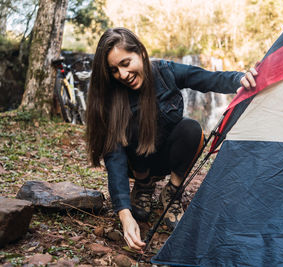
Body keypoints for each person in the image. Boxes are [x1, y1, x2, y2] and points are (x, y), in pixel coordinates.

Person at [86, 27, 258, 251]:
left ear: (142, 54)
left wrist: (239, 79)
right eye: (115, 70)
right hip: (136, 162)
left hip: (166, 155)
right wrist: (125, 215)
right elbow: (115, 158)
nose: (123, 75)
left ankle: (172, 192)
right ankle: (143, 186)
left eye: (126, 63)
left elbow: (208, 79)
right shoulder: (113, 97)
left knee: (191, 128)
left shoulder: (166, 72)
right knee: (136, 127)